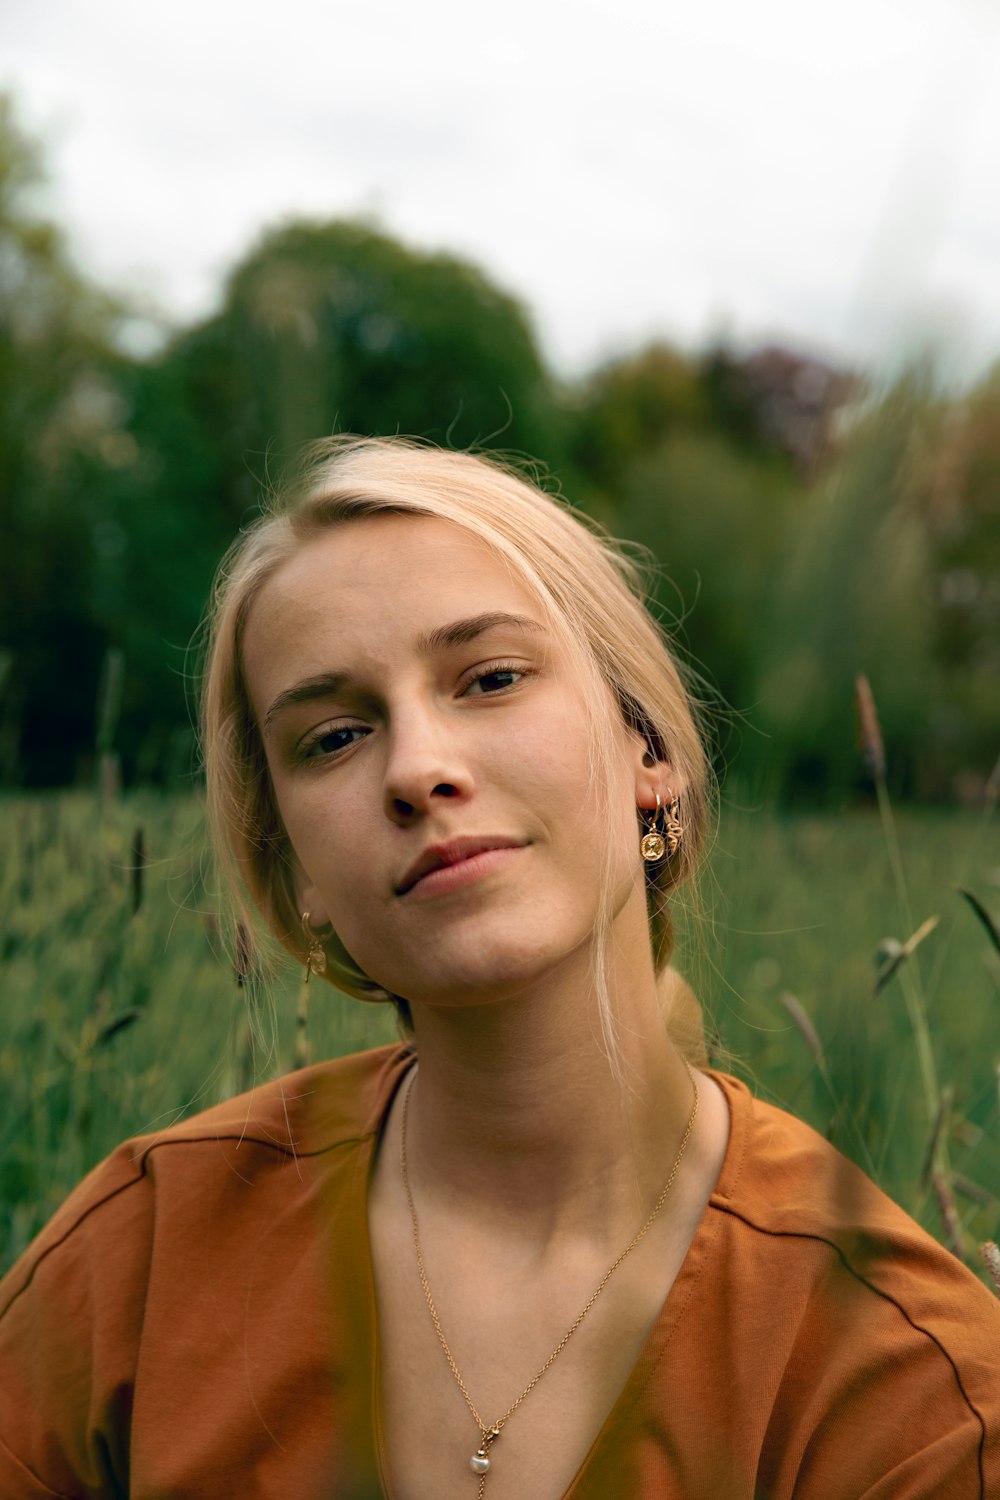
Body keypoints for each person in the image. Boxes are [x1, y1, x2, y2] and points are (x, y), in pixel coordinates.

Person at [0, 436, 996, 1500]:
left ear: (645, 753)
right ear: (291, 866)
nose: (419, 768)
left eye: (491, 677)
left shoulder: (901, 1378)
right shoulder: (143, 1257)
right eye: (333, 737)